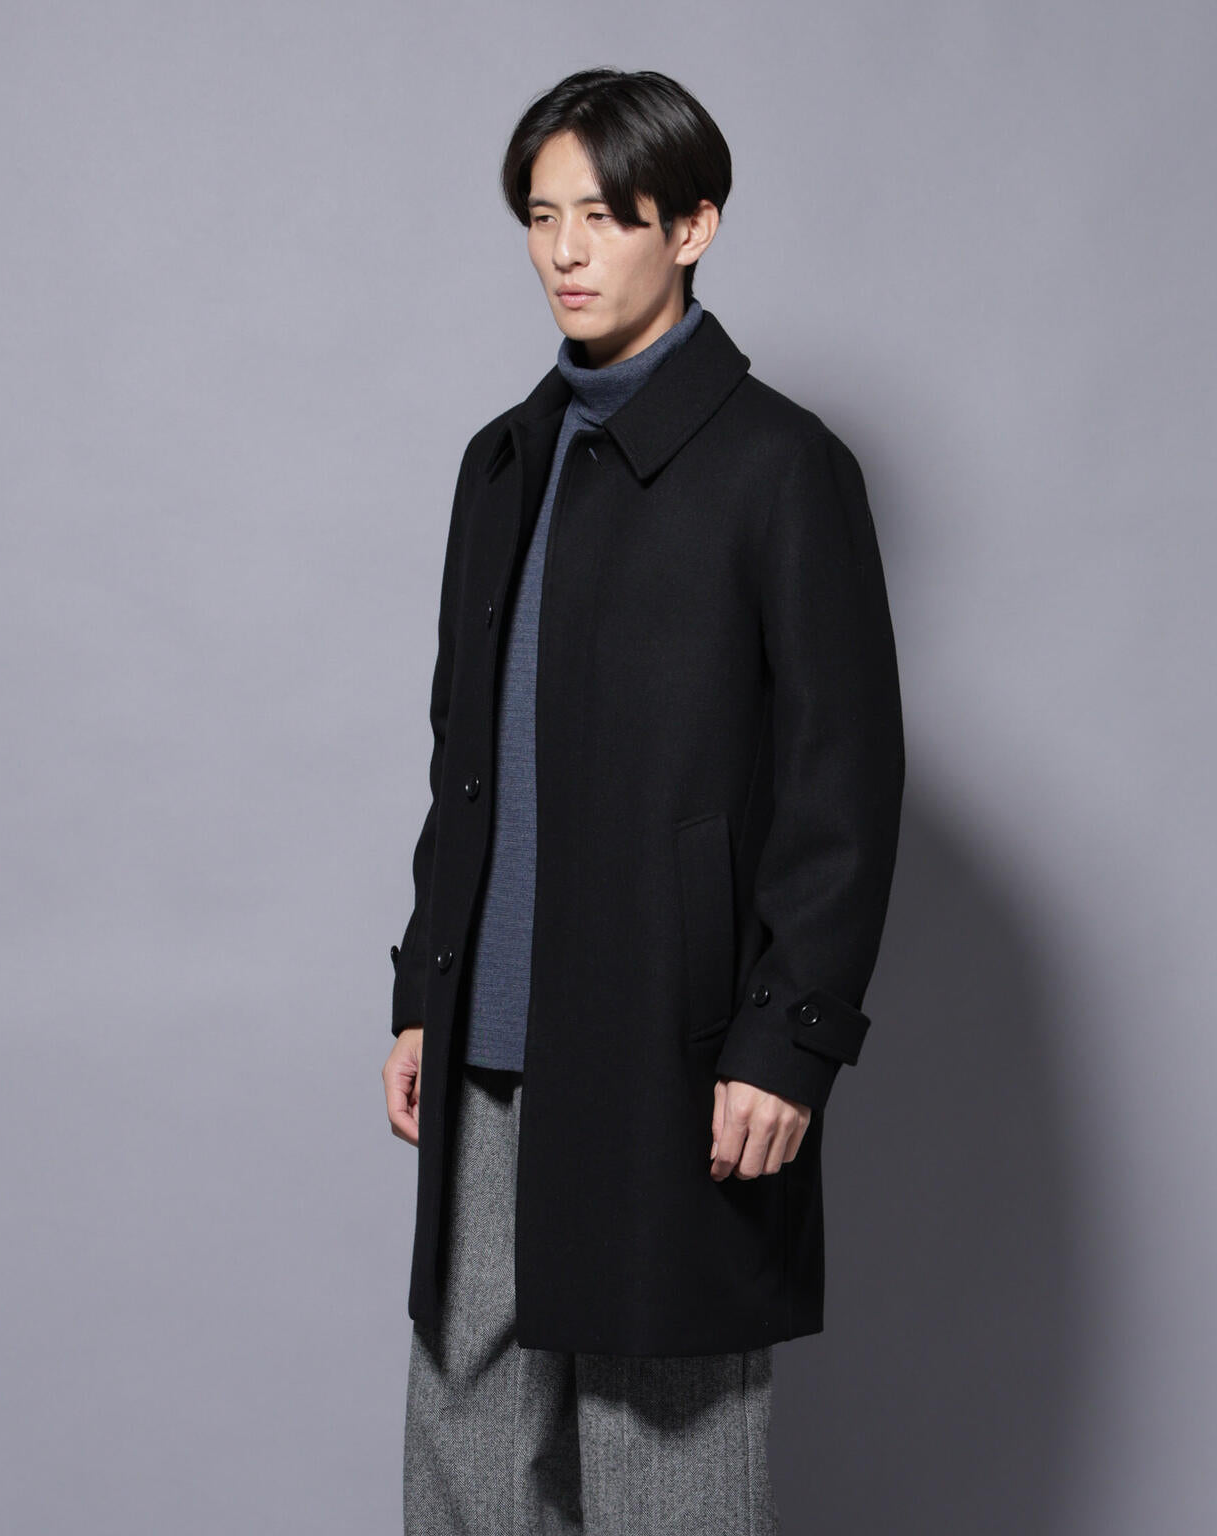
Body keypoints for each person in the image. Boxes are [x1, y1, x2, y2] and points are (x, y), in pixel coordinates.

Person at [382, 66, 905, 1534]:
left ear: (692, 226)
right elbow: (465, 759)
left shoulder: (782, 467)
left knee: (664, 1460)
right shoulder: (501, 462)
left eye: (604, 217)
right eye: (541, 216)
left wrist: (790, 1042)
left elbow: (844, 781)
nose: (564, 252)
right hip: (487, 1053)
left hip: (676, 1059)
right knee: (466, 1454)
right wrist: (424, 992)